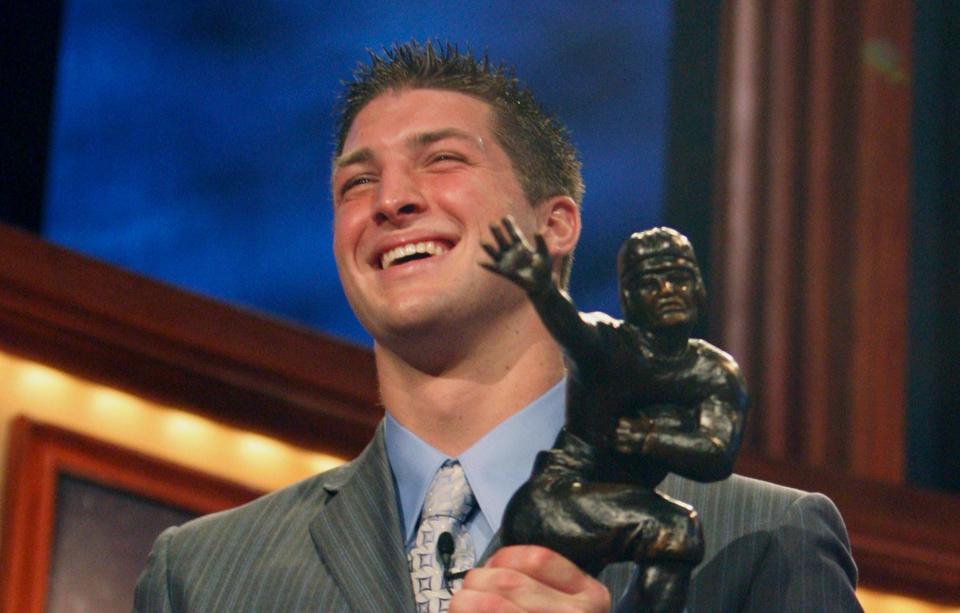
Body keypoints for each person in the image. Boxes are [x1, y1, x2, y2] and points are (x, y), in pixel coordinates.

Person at [134, 41, 861, 612]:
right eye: (357, 182)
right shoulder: (200, 576)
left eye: (441, 159)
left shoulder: (763, 541)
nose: (390, 200)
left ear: (553, 228)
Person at [483, 222, 748, 611]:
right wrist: (542, 290)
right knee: (674, 527)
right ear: (627, 296)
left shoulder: (715, 372)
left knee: (673, 530)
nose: (668, 292)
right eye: (651, 284)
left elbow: (717, 455)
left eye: (679, 280)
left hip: (621, 512)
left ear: (699, 288)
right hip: (555, 500)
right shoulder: (607, 345)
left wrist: (649, 436)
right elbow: (573, 329)